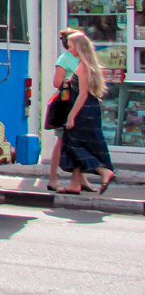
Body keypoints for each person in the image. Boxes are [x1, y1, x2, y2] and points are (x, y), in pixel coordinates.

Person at [57, 33, 116, 194]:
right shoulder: (88, 65)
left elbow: (83, 94)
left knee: (74, 145)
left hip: (82, 111)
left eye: (70, 46)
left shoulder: (82, 67)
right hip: (91, 110)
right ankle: (75, 184)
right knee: (81, 144)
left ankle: (104, 171)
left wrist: (71, 116)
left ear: (79, 47)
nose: (69, 49)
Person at [47, 28, 92, 191]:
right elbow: (57, 82)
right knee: (60, 141)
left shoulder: (79, 59)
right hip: (67, 104)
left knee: (79, 142)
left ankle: (82, 180)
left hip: (79, 104)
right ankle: (53, 178)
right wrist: (71, 81)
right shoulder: (65, 59)